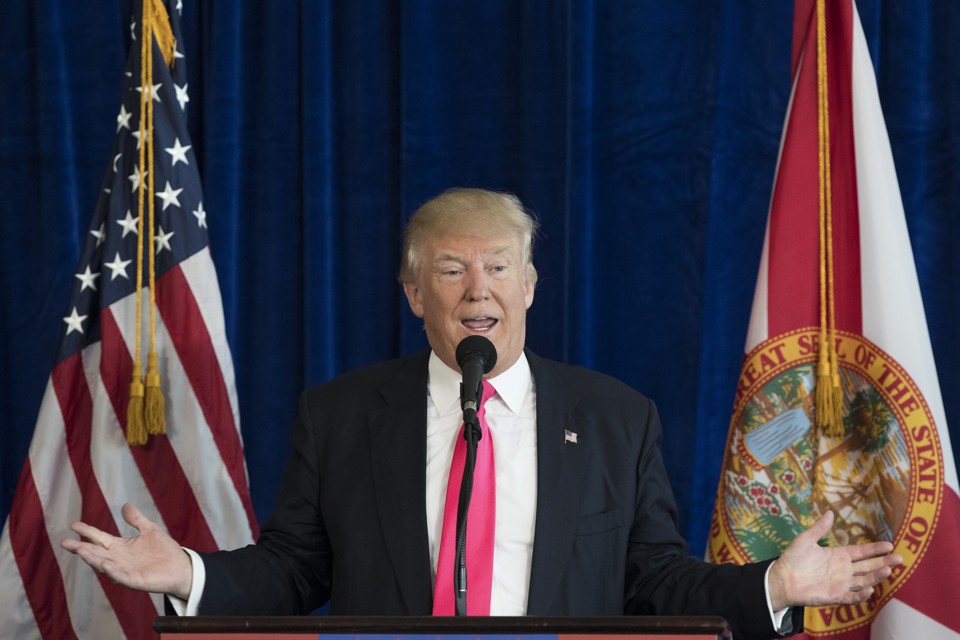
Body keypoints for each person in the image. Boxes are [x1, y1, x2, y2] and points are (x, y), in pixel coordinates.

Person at [62, 188, 901, 640]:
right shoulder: (341, 416)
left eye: (498, 267)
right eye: (451, 270)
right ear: (414, 294)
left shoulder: (616, 419)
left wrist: (775, 586)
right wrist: (190, 575)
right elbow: (293, 570)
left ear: (528, 288)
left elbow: (655, 581)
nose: (478, 290)